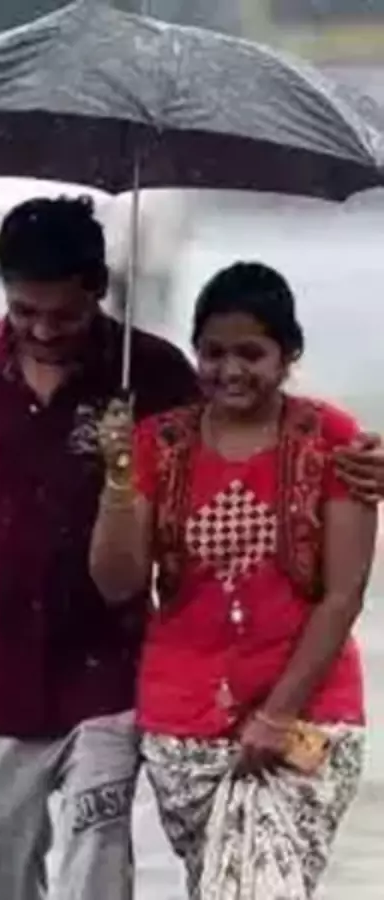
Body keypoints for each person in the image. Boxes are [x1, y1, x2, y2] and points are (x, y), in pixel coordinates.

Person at [0, 196, 384, 900]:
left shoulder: (148, 371)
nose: (43, 330)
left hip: (110, 676)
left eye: (63, 314)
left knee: (99, 871)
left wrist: (363, 462)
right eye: (24, 311)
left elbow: (247, 436)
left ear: (99, 287)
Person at [89, 262, 374, 898]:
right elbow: (117, 583)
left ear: (289, 355)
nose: (230, 370)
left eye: (251, 353)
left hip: (307, 717)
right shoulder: (157, 443)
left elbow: (343, 595)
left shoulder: (333, 440)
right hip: (185, 723)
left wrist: (276, 715)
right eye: (213, 353)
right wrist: (118, 479)